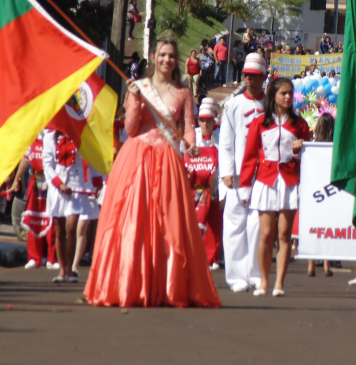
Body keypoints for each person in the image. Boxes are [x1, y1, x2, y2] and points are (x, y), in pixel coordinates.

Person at [84, 35, 220, 308]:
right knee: (133, 221)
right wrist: (133, 99)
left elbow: (189, 126)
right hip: (136, 159)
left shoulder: (183, 92)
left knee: (168, 224)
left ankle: (166, 285)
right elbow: (132, 129)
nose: (166, 59)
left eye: (171, 55)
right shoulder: (141, 87)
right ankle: (130, 284)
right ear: (154, 57)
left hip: (169, 159)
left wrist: (192, 146)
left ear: (176, 60)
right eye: (162, 54)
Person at [239, 77, 311, 297]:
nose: (288, 97)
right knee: (266, 234)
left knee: (284, 234)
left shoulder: (300, 124)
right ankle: (263, 281)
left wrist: (300, 149)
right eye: (283, 93)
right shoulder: (259, 122)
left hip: (289, 181)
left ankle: (279, 283)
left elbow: (308, 159)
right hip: (266, 180)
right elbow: (250, 156)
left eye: (290, 93)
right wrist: (244, 184)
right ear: (274, 96)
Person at [219, 53, 268, 293]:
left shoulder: (271, 105)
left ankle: (256, 273)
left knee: (258, 225)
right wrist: (226, 171)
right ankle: (236, 276)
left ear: (263, 77)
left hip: (264, 174)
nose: (250, 79)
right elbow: (226, 141)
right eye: (247, 75)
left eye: (255, 76)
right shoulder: (233, 104)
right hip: (238, 175)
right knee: (234, 224)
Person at [43, 128, 92, 283]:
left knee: (71, 228)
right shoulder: (49, 137)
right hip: (57, 188)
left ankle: (71, 270)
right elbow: (47, 165)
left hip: (76, 185)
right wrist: (59, 184)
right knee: (59, 231)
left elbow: (90, 157)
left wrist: (95, 182)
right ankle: (62, 270)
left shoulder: (80, 133)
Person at [186, 99, 223, 270]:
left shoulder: (221, 137)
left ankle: (212, 257)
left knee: (214, 223)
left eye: (208, 120)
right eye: (202, 120)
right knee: (195, 222)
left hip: (214, 187)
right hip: (194, 188)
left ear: (214, 119)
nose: (205, 123)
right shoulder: (191, 136)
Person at [12, 134, 57, 269]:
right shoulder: (32, 137)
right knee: (32, 218)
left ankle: (52, 258)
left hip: (52, 182)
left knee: (52, 219)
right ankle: (34, 257)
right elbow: (25, 159)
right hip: (35, 181)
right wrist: (16, 179)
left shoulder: (55, 137)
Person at [307, 113, 335, 278]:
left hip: (314, 189)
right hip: (329, 190)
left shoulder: (312, 145)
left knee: (313, 228)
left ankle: (311, 266)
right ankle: (326, 265)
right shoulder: (335, 146)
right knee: (327, 228)